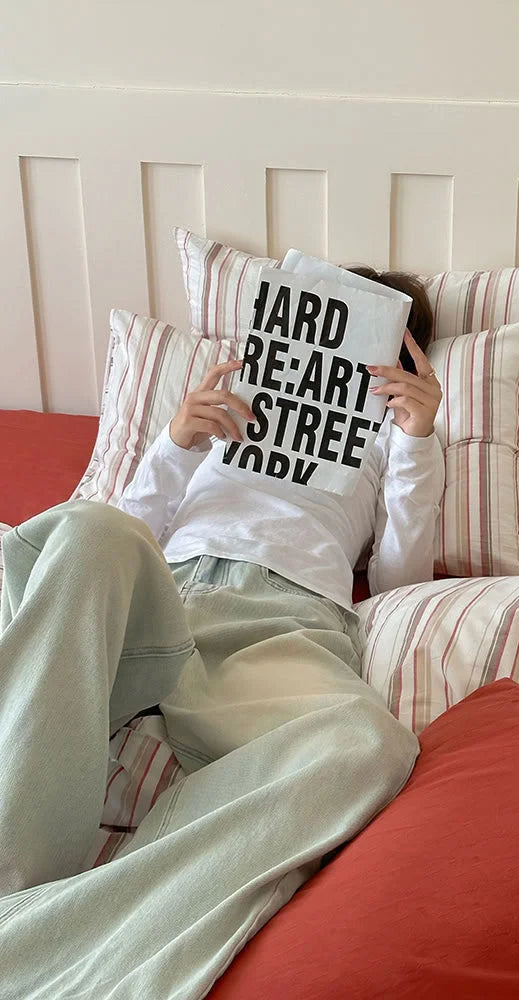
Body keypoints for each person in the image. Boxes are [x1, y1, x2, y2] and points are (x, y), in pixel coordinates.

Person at [0, 270, 445, 999]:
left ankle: (44, 942)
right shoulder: (225, 414)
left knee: (369, 747)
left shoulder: (390, 444)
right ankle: (12, 869)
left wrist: (417, 440)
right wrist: (177, 442)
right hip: (159, 595)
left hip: (280, 621)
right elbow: (131, 533)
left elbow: (401, 580)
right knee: (85, 527)